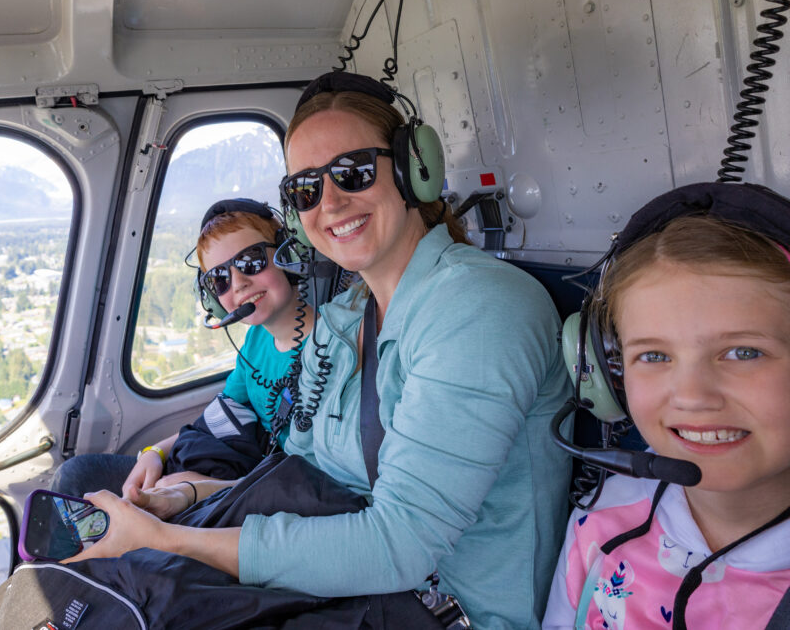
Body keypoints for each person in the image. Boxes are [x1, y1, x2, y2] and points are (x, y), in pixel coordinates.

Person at [66, 72, 572, 629]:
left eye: (352, 172)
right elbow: (302, 475)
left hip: (440, 609)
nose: (329, 202)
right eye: (305, 188)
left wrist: (174, 541)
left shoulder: (478, 308)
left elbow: (398, 547)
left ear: (411, 170)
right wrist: (185, 498)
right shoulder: (345, 318)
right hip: (350, 586)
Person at [542, 182, 790, 629]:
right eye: (653, 356)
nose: (693, 396)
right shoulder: (603, 518)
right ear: (611, 375)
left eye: (743, 352)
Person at [51, 198, 313, 498]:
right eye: (220, 279)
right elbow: (221, 414)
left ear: (287, 254)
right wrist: (154, 453)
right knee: (75, 476)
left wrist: (194, 490)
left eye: (250, 261)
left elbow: (314, 484)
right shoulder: (256, 340)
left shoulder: (330, 350)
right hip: (241, 471)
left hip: (271, 492)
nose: (238, 283)